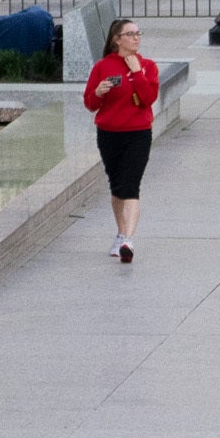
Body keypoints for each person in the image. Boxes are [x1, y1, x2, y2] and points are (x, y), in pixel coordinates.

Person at [79, 20, 159, 262]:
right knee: (117, 186)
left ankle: (128, 240)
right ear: (117, 39)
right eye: (130, 34)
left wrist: (136, 72)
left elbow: (148, 98)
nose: (136, 38)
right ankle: (120, 233)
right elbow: (90, 104)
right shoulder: (103, 67)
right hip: (110, 133)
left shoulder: (147, 66)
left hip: (138, 132)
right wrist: (99, 93)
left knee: (131, 185)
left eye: (137, 34)